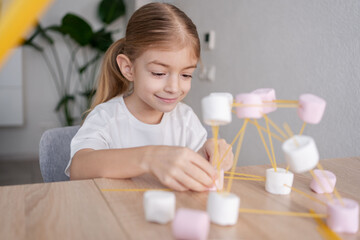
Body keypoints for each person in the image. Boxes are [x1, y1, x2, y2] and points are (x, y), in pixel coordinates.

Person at [66, 2, 233, 191]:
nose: (174, 88)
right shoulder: (106, 118)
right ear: (128, 69)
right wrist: (150, 158)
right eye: (159, 73)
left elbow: (194, 169)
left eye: (186, 75)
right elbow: (78, 168)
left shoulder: (185, 119)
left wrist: (207, 155)